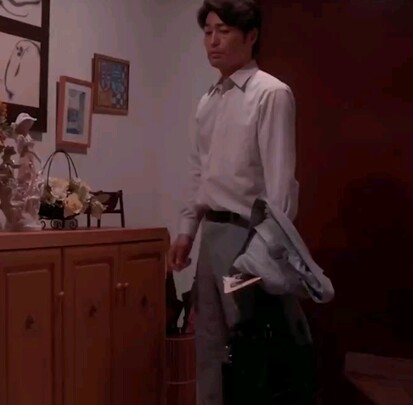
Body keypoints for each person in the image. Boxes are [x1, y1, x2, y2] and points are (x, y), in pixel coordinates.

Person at [168, 1, 313, 404]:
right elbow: (199, 172)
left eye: (224, 31)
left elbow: (280, 187)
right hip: (212, 235)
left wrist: (265, 250)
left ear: (251, 37)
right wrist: (186, 230)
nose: (213, 41)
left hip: (249, 238)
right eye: (208, 31)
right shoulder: (208, 100)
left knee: (251, 345)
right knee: (208, 343)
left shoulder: (271, 94)